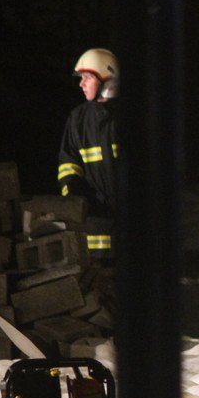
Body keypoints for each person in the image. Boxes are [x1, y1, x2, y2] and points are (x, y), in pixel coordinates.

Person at [57, 48, 120, 261]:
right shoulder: (78, 120)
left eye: (87, 77)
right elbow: (68, 164)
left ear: (106, 80)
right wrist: (73, 192)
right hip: (94, 226)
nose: (81, 84)